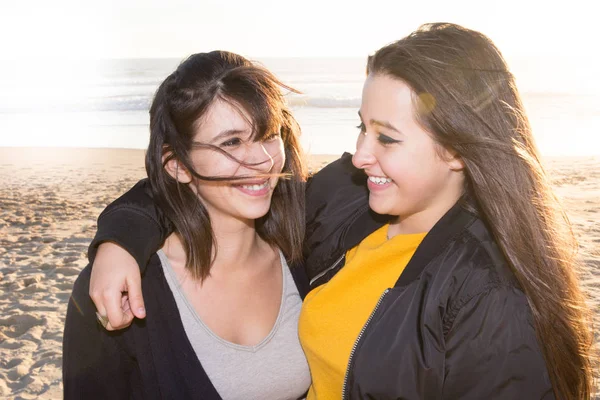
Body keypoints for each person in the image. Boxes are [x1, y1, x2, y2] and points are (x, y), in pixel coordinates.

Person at [80, 24, 595, 399]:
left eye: (387, 137)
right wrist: (120, 238)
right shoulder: (348, 204)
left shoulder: (488, 295)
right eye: (361, 127)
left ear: (459, 149)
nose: (360, 154)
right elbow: (198, 182)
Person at [62, 50, 312, 399]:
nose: (263, 159)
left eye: (269, 134)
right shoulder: (117, 290)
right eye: (232, 142)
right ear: (177, 165)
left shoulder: (310, 251)